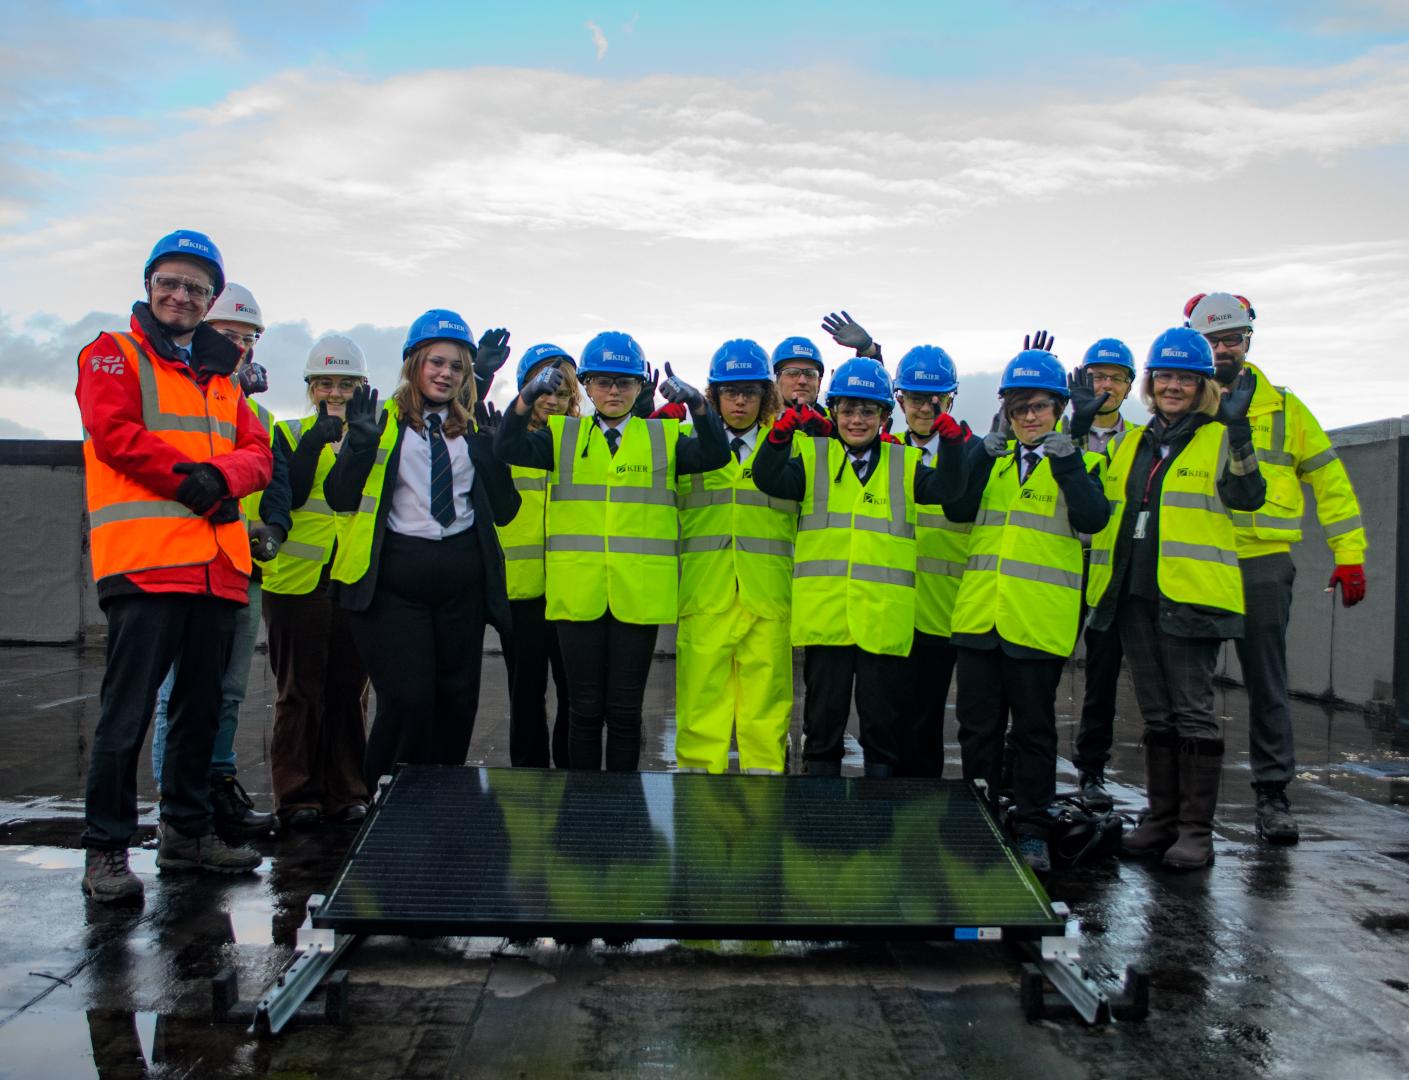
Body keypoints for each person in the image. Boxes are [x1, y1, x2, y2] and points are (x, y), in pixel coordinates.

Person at [75, 229, 271, 902]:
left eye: (195, 288)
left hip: (216, 567)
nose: (181, 296)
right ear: (149, 285)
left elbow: (258, 452)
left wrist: (216, 480)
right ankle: (106, 850)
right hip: (147, 564)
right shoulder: (112, 353)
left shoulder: (222, 374)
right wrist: (192, 480)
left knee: (199, 710)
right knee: (125, 715)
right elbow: (114, 433)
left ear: (210, 298)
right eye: (171, 282)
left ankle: (186, 834)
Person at [493, 331, 730, 771]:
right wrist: (526, 397)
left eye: (624, 382)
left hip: (636, 596)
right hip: (578, 593)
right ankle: (586, 804)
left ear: (641, 386)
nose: (614, 391)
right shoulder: (563, 436)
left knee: (623, 712)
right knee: (584, 710)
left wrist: (699, 405)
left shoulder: (664, 438)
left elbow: (716, 454)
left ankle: (622, 809)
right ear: (586, 385)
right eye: (602, 382)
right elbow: (507, 446)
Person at [1184, 292, 1368, 843]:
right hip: (1195, 561)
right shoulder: (1180, 401)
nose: (1221, 350)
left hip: (1262, 561)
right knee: (1187, 691)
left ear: (1248, 342)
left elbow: (1330, 481)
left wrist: (1350, 553)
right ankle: (1187, 808)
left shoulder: (1284, 409)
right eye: (1210, 341)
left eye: (1231, 339)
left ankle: (1272, 796)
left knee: (1266, 682)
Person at [1087, 328, 1264, 869]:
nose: (1173, 386)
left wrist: (1238, 436)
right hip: (1135, 593)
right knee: (1157, 712)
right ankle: (1160, 821)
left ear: (1202, 384)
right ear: (1150, 382)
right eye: (1164, 376)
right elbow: (1103, 505)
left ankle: (1196, 831)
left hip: (1191, 596)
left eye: (1185, 378)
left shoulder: (1218, 436)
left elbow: (1248, 495)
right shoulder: (1138, 442)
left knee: (1193, 714)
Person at [323, 309, 520, 790]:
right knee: (408, 698)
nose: (446, 373)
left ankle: (441, 794)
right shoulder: (378, 420)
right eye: (436, 362)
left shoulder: (473, 427)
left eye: (456, 366)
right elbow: (340, 497)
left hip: (460, 583)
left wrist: (494, 459)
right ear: (413, 363)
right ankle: (382, 794)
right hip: (393, 584)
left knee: (456, 700)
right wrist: (358, 447)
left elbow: (506, 509)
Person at [751, 357, 967, 777]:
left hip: (881, 621)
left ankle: (877, 823)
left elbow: (950, 490)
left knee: (882, 733)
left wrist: (952, 443)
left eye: (868, 411)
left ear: (885, 416)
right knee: (822, 731)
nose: (856, 420)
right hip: (827, 620)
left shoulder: (904, 465)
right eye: (848, 410)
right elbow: (768, 479)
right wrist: (779, 436)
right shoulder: (814, 460)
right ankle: (821, 820)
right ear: (833, 413)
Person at [946, 349, 1110, 872]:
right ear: (1007, 414)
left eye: (1040, 407)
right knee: (978, 729)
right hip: (980, 619)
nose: (1030, 418)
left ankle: (1033, 826)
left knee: (1034, 732)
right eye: (1020, 410)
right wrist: (977, 457)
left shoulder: (1081, 461)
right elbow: (957, 509)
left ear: (1059, 408)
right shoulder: (993, 461)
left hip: (1036, 623)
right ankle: (981, 814)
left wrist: (1066, 460)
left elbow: (1092, 517)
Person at [149, 282, 281, 841]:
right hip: (183, 560)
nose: (241, 348)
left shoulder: (255, 410)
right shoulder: (181, 396)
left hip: (239, 566)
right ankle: (178, 804)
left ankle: (217, 784)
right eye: (230, 335)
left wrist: (269, 528)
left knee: (227, 690)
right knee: (176, 693)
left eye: (248, 339)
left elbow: (273, 477)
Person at [259, 335, 374, 828]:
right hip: (295, 581)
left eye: (346, 383)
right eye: (325, 382)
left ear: (360, 387)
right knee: (298, 692)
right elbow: (286, 497)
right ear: (310, 386)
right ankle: (296, 796)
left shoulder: (373, 435)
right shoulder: (286, 434)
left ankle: (348, 790)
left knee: (349, 690)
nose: (335, 391)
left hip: (350, 577)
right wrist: (311, 444)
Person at [674, 339, 796, 775]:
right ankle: (697, 806)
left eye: (750, 391)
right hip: (705, 595)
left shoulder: (789, 447)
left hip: (768, 597)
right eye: (730, 391)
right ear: (714, 396)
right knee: (699, 709)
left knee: (766, 713)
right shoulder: (685, 446)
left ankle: (763, 807)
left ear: (767, 395)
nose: (740, 400)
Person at [1067, 337, 1143, 811]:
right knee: (1035, 672)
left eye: (1116, 378)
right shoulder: (1059, 429)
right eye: (1098, 376)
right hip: (1061, 565)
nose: (1106, 385)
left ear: (1131, 387)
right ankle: (1017, 763)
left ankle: (1091, 768)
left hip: (1113, 570)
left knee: (1101, 677)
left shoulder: (1142, 441)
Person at [890, 345, 973, 777]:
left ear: (951, 400)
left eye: (936, 399)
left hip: (945, 608)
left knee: (927, 722)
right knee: (888, 720)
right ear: (899, 400)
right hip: (892, 606)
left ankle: (922, 811)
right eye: (916, 398)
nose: (925, 408)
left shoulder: (969, 451)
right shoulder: (886, 452)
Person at [497, 343, 579, 769]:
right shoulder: (507, 441)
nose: (552, 400)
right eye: (543, 389)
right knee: (525, 693)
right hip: (521, 591)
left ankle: (569, 776)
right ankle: (527, 780)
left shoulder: (583, 443)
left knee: (573, 693)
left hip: (569, 590)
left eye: (561, 392)